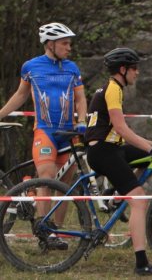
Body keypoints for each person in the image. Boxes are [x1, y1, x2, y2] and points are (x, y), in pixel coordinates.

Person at [0, 22, 87, 249]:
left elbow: (80, 99)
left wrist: (82, 121)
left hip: (68, 132)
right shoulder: (31, 66)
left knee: (65, 185)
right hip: (45, 131)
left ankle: (56, 233)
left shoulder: (72, 68)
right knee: (47, 177)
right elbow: (20, 95)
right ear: (50, 44)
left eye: (69, 43)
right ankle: (44, 231)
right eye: (64, 43)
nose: (69, 48)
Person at [85, 47, 152, 276]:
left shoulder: (112, 88)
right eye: (134, 68)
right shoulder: (113, 89)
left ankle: (116, 195)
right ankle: (141, 264)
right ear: (122, 69)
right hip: (103, 152)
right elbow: (122, 128)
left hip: (111, 148)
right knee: (139, 201)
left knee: (148, 158)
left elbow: (123, 134)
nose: (137, 72)